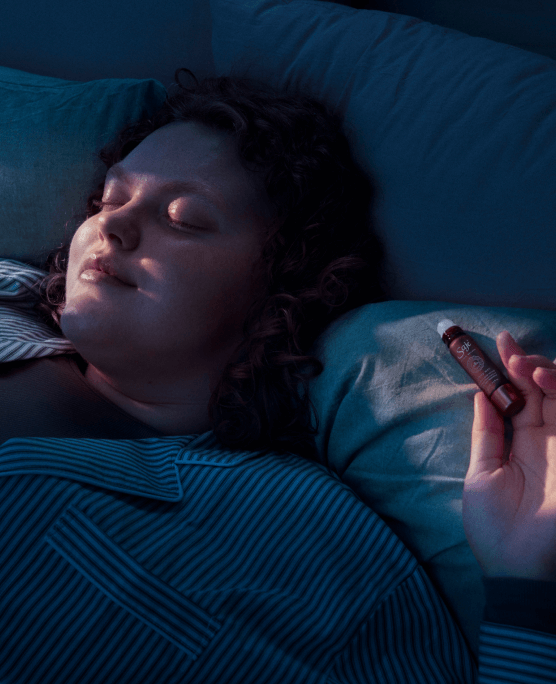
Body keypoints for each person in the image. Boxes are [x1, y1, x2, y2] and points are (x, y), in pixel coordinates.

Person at [0, 68, 554, 684]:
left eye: (183, 217)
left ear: (282, 286)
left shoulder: (305, 536)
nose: (112, 226)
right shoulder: (7, 294)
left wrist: (524, 586)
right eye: (109, 198)